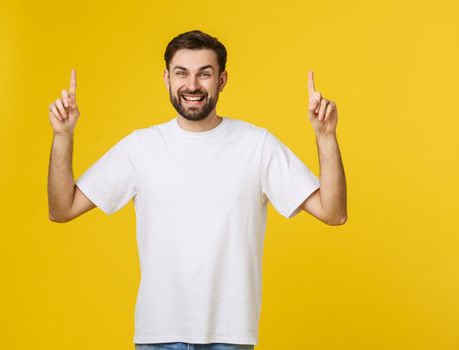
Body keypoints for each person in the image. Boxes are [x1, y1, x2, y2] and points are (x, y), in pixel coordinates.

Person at [47, 30, 347, 350]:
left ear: (222, 80)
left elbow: (333, 212)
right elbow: (62, 208)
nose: (192, 85)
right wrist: (63, 135)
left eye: (204, 74)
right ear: (167, 78)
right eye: (182, 73)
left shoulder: (257, 145)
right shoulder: (140, 147)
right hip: (157, 338)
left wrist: (325, 136)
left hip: (229, 339)